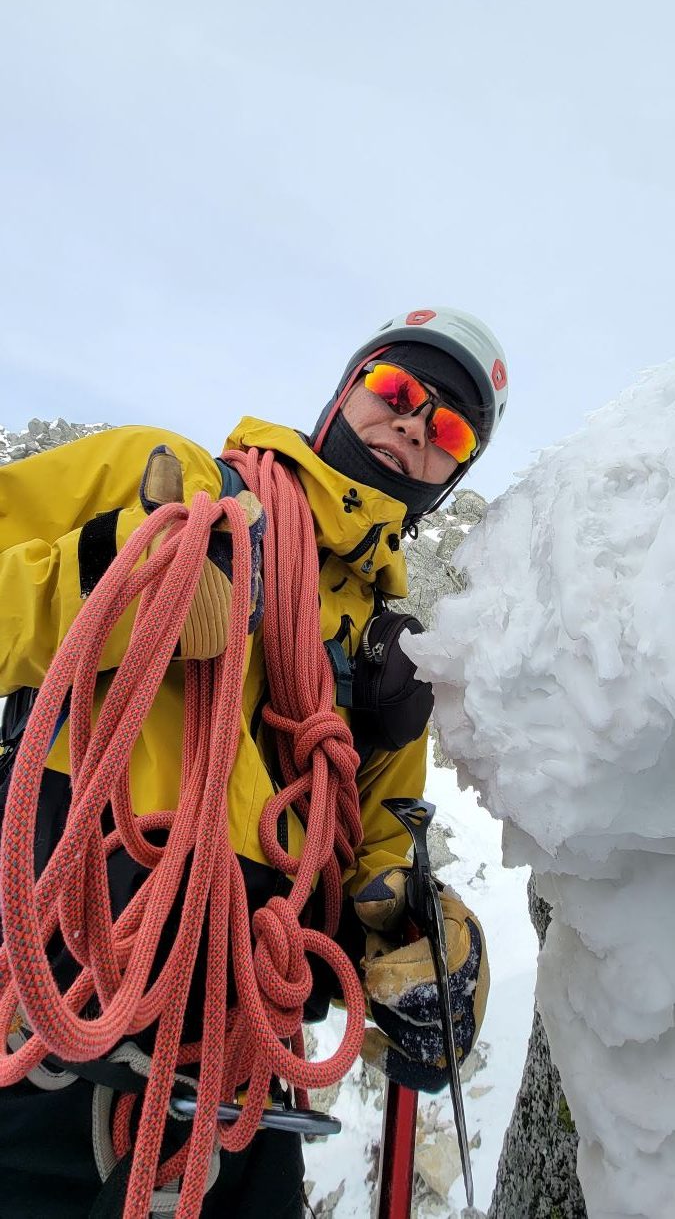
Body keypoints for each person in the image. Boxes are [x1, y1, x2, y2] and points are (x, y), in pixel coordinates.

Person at [0, 306, 507, 1218]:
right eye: (396, 390)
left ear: (453, 476)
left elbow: (377, 859)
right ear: (344, 394)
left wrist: (418, 946)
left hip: (238, 1101)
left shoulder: (394, 663)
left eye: (449, 431)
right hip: (42, 1039)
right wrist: (114, 583)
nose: (413, 425)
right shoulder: (167, 480)